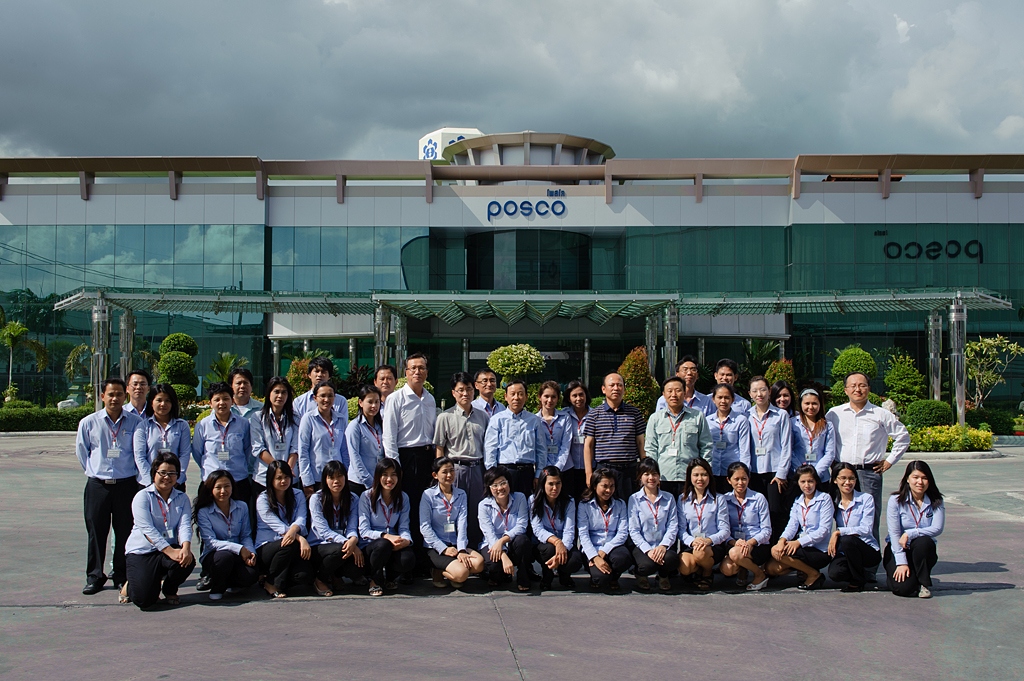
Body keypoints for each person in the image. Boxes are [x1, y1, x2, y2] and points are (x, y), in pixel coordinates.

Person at [826, 371, 911, 544]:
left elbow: (903, 437)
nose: (858, 389)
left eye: (862, 385)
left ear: (869, 389)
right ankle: (845, 556)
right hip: (842, 472)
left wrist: (889, 461)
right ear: (846, 390)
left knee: (870, 518)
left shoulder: (881, 414)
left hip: (869, 473)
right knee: (842, 514)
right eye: (853, 386)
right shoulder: (834, 414)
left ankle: (869, 563)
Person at [77, 377, 143, 595]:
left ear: (125, 396)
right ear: (102, 396)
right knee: (96, 532)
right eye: (110, 394)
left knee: (124, 531)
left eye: (118, 394)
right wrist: (96, 471)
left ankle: (121, 575)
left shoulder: (136, 423)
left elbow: (138, 453)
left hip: (126, 485)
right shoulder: (89, 422)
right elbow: (83, 453)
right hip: (98, 486)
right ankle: (94, 576)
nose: (114, 398)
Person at [381, 352, 436, 555]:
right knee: (409, 507)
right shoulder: (395, 398)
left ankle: (425, 554)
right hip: (406, 458)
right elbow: (389, 436)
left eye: (421, 368)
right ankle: (408, 556)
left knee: (427, 506)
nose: (417, 372)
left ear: (426, 373)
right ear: (406, 372)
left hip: (427, 457)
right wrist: (395, 467)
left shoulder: (430, 399)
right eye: (413, 368)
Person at [123, 452, 194, 609]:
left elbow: (184, 525)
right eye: (162, 473)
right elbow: (147, 530)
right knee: (144, 601)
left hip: (166, 550)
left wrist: (185, 547)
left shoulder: (182, 498)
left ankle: (169, 589)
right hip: (143, 551)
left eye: (172, 473)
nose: (167, 477)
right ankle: (131, 585)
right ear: (154, 473)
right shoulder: (142, 497)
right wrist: (169, 551)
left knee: (187, 561)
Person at [434, 372, 489, 547]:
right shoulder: (445, 417)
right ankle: (454, 548)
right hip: (455, 470)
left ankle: (476, 548)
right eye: (460, 390)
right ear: (453, 393)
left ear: (474, 391)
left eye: (469, 389)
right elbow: (440, 448)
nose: (465, 394)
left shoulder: (483, 416)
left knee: (476, 510)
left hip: (478, 469)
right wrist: (441, 474)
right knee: (454, 510)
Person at [765, 464, 834, 590]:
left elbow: (823, 531)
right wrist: (782, 541)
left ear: (816, 482)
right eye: (803, 481)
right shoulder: (798, 500)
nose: (807, 485)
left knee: (780, 553)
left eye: (810, 481)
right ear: (798, 482)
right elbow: (792, 525)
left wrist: (798, 542)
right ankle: (805, 570)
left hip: (818, 549)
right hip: (802, 547)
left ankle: (814, 574)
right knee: (771, 567)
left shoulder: (824, 499)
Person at [420, 457, 485, 588]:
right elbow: (425, 527)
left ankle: (454, 571)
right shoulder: (428, 495)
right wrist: (443, 549)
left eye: (452, 471)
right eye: (444, 472)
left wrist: (461, 549)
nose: (449, 475)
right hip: (436, 546)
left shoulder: (461, 494)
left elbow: (462, 524)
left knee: (479, 564)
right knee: (462, 573)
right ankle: (439, 571)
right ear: (435, 475)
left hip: (455, 544)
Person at [193, 470, 258, 600]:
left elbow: (245, 535)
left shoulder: (242, 507)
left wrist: (251, 552)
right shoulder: (204, 511)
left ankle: (230, 582)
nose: (223, 491)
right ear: (211, 489)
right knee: (224, 558)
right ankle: (217, 587)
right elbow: (211, 542)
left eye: (227, 486)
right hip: (216, 556)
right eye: (218, 487)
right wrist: (239, 549)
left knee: (251, 575)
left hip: (238, 555)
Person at [884, 460, 945, 598]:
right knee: (902, 589)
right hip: (899, 549)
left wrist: (911, 533)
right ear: (907, 479)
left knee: (924, 542)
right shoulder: (896, 500)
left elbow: (937, 528)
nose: (920, 482)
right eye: (915, 477)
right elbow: (894, 533)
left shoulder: (936, 500)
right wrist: (901, 563)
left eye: (924, 478)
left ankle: (924, 584)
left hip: (921, 551)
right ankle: (911, 577)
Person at [645, 376, 712, 497]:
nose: (674, 394)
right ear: (664, 395)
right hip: (664, 476)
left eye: (678, 390)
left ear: (685, 392)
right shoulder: (655, 418)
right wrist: (653, 475)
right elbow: (651, 448)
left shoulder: (697, 417)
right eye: (669, 391)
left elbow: (706, 446)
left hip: (690, 477)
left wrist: (703, 473)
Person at [582, 372, 646, 500]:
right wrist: (589, 473)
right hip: (604, 470)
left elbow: (641, 443)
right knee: (604, 506)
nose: (616, 388)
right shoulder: (594, 414)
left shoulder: (634, 413)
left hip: (629, 470)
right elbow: (588, 445)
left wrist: (644, 471)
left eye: (619, 385)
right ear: (604, 389)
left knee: (629, 506)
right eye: (612, 385)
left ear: (624, 388)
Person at [358, 458, 415, 596]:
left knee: (408, 558)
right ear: (378, 476)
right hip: (371, 546)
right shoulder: (366, 497)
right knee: (382, 544)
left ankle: (390, 578)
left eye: (393, 475)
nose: (389, 479)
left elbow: (404, 527)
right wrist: (385, 536)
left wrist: (406, 540)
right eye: (385, 474)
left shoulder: (403, 498)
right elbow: (364, 530)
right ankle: (375, 581)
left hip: (393, 543)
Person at [255, 460, 311, 598]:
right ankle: (271, 582)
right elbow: (276, 525)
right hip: (267, 546)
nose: (283, 481)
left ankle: (277, 578)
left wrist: (294, 532)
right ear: (271, 479)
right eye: (279, 478)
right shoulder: (262, 499)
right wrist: (299, 537)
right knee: (288, 545)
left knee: (304, 576)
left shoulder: (297, 494)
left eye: (286, 477)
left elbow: (301, 518)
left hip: (290, 545)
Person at [747, 375, 792, 542]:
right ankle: (760, 550)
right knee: (757, 514)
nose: (760, 394)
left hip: (775, 473)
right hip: (754, 472)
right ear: (750, 394)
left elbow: (786, 446)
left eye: (763, 390)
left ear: (769, 391)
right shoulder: (747, 415)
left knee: (776, 512)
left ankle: (777, 550)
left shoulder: (781, 415)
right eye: (755, 391)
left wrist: (782, 473)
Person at [308, 461, 363, 597]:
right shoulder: (316, 499)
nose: (336, 481)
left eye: (340, 476)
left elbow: (351, 526)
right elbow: (323, 531)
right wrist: (347, 543)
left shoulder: (353, 499)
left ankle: (336, 575)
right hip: (319, 544)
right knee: (340, 550)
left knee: (357, 568)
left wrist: (353, 540)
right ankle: (320, 580)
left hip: (341, 544)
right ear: (325, 480)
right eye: (331, 477)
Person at [483, 380, 547, 497]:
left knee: (527, 507)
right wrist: (493, 476)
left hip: (527, 473)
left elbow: (541, 449)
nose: (516, 398)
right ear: (506, 397)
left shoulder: (534, 420)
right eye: (512, 394)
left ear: (526, 397)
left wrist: (538, 474)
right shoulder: (497, 420)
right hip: (504, 471)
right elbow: (490, 450)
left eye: (520, 394)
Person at [192, 382, 252, 501]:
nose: (221, 403)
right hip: (211, 483)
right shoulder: (203, 425)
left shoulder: (243, 424)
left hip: (238, 481)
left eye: (225, 399)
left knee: (239, 516)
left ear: (232, 401)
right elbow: (197, 453)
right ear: (210, 403)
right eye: (217, 399)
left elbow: (247, 450)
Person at [677, 458, 731, 591]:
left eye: (704, 475)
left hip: (712, 546)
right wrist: (692, 541)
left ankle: (707, 573)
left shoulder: (719, 499)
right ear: (690, 477)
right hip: (692, 544)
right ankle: (698, 570)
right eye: (696, 475)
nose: (700, 479)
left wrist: (708, 540)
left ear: (709, 477)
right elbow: (681, 529)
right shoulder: (682, 499)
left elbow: (725, 530)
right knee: (685, 567)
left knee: (701, 552)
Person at [627, 459, 680, 591]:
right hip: (643, 545)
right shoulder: (634, 499)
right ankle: (641, 575)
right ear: (640, 477)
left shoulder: (669, 498)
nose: (651, 478)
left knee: (672, 559)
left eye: (654, 474)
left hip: (663, 544)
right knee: (646, 565)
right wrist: (648, 550)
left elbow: (673, 526)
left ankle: (663, 576)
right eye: (646, 474)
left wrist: (663, 546)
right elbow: (633, 530)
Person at [827, 462, 880, 592]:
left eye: (851, 478)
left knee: (847, 539)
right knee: (835, 573)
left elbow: (866, 529)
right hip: (846, 550)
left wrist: (839, 532)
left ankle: (858, 581)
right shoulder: (832, 501)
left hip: (867, 549)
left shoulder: (866, 498)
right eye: (843, 478)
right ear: (835, 480)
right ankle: (857, 573)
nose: (848, 482)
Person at [577, 468, 633, 591]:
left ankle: (614, 577)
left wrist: (605, 551)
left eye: (612, 486)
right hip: (592, 548)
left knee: (624, 558)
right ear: (595, 486)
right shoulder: (584, 505)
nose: (609, 490)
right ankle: (599, 574)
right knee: (600, 580)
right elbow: (583, 535)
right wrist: (595, 557)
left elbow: (623, 533)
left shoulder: (620, 504)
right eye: (605, 486)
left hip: (613, 547)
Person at [529, 466, 584, 590]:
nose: (555, 488)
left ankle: (564, 575)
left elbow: (569, 531)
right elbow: (538, 530)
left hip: (564, 544)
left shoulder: (569, 501)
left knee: (575, 560)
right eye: (551, 484)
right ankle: (547, 575)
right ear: (543, 484)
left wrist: (562, 547)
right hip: (544, 544)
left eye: (558, 483)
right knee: (549, 549)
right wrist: (556, 541)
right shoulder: (534, 500)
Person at [478, 465, 532, 591]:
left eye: (503, 483)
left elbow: (521, 526)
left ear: (509, 482)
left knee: (523, 541)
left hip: (511, 543)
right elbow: (489, 534)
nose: (500, 488)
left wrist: (502, 541)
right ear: (489, 488)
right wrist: (502, 554)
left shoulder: (520, 498)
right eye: (494, 485)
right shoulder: (483, 505)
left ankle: (523, 579)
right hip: (492, 545)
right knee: (494, 565)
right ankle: (497, 576)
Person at [719, 462, 771, 592]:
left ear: (749, 479)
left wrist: (750, 543)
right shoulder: (724, 500)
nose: (740, 483)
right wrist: (734, 542)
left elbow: (767, 530)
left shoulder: (759, 498)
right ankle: (743, 568)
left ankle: (760, 574)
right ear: (729, 480)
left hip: (757, 545)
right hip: (735, 543)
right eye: (736, 479)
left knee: (735, 553)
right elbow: (722, 528)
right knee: (727, 569)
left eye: (744, 479)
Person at [249, 376, 298, 512]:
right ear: (269, 393)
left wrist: (286, 471)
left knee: (288, 515)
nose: (280, 396)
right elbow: (258, 448)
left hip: (289, 478)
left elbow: (296, 447)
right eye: (276, 391)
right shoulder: (258, 418)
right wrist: (278, 469)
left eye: (284, 392)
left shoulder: (295, 418)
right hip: (263, 477)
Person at [133, 383, 191, 491]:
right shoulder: (143, 426)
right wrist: (152, 481)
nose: (163, 404)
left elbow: (184, 454)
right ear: (151, 402)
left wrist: (176, 479)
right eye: (159, 400)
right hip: (149, 484)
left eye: (168, 400)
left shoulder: (182, 425)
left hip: (175, 484)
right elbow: (140, 456)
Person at [297, 380, 349, 496]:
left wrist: (346, 475)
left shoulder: (341, 419)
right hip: (317, 477)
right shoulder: (308, 419)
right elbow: (303, 451)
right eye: (322, 396)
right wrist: (307, 482)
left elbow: (345, 450)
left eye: (330, 396)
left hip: (338, 479)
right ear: (315, 398)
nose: (326, 399)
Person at [706, 383, 752, 494]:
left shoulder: (741, 420)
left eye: (727, 398)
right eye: (720, 397)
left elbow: (744, 449)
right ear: (713, 399)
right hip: (713, 471)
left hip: (732, 473)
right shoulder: (708, 421)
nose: (723, 401)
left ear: (733, 399)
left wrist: (744, 473)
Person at [791, 388, 836, 487]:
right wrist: (801, 472)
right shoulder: (793, 423)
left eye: (814, 403)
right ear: (801, 404)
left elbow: (830, 453)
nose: (810, 407)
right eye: (807, 403)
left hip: (821, 476)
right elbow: (790, 450)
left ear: (820, 404)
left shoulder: (827, 425)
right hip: (798, 477)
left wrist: (815, 473)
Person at [346, 385, 384, 497]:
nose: (374, 406)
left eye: (377, 402)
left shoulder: (380, 425)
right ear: (360, 403)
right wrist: (369, 482)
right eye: (370, 402)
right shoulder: (355, 426)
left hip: (378, 481)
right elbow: (354, 457)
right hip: (359, 483)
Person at [559, 380, 591, 501]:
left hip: (590, 467)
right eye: (574, 396)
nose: (578, 398)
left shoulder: (594, 414)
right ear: (569, 398)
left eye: (581, 394)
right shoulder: (564, 415)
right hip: (570, 468)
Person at [536, 380, 573, 476]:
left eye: (553, 397)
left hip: (564, 469)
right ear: (540, 397)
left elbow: (566, 445)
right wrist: (545, 468)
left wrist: (557, 468)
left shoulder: (565, 417)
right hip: (543, 470)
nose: (550, 400)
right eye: (546, 396)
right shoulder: (535, 420)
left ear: (557, 398)